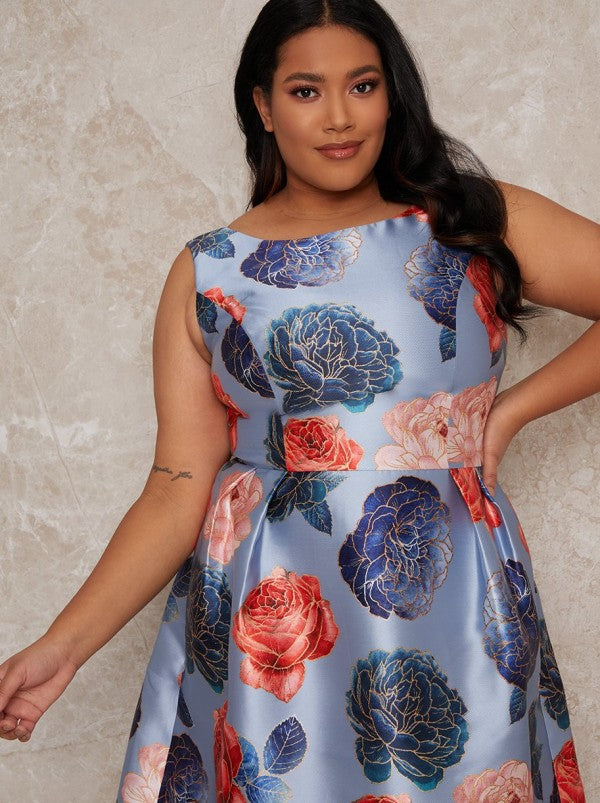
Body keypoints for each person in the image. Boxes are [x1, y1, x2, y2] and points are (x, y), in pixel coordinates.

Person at [0, 0, 596, 799]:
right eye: (306, 91)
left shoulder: (469, 222)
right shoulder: (211, 271)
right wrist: (63, 646)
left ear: (392, 94)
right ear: (263, 105)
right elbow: (176, 487)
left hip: (450, 600)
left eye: (363, 85)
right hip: (271, 621)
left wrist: (513, 409)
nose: (340, 117)